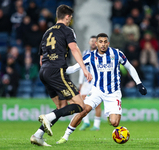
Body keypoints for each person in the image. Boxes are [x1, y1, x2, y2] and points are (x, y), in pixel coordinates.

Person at [56, 33, 147, 144]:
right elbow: (74, 68)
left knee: (114, 123)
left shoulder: (117, 53)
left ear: (108, 43)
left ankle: (110, 114)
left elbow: (130, 67)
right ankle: (65, 137)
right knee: (82, 111)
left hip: (113, 92)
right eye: (100, 42)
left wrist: (139, 83)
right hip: (97, 90)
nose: (103, 44)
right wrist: (58, 69)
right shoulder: (90, 56)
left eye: (105, 42)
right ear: (96, 43)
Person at [30, 5, 92, 146]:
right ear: (67, 17)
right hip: (56, 71)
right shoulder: (67, 30)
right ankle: (47, 117)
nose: (71, 20)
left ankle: (38, 135)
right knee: (80, 105)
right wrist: (84, 69)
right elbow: (74, 49)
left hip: (44, 72)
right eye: (70, 17)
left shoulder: (47, 32)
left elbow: (41, 58)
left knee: (61, 107)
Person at [78, 36, 101, 131]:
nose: (93, 43)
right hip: (86, 82)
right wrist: (80, 82)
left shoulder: (101, 54)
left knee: (97, 105)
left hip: (96, 83)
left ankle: (96, 125)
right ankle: (86, 122)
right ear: (89, 42)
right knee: (82, 103)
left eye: (95, 41)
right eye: (92, 41)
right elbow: (81, 68)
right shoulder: (85, 53)